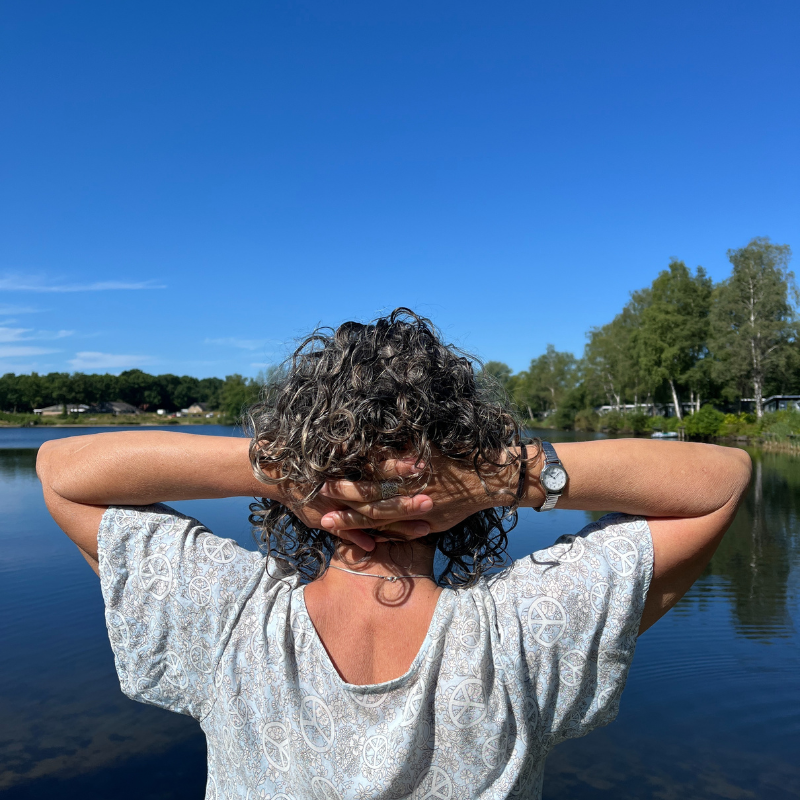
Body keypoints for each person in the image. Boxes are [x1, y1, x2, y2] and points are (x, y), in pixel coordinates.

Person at [37, 310, 751, 799]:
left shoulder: (227, 618)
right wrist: (496, 478)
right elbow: (721, 483)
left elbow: (63, 473)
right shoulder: (527, 631)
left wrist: (286, 472)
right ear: (462, 451)